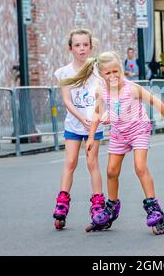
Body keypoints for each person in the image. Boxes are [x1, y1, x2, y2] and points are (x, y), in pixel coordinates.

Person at [60, 51, 164, 235]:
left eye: (116, 71)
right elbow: (98, 113)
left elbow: (156, 101)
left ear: (121, 70)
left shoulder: (131, 88)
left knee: (140, 167)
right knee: (111, 171)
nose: (113, 76)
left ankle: (154, 208)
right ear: (101, 74)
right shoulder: (102, 91)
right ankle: (111, 207)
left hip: (138, 128)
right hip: (118, 133)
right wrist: (91, 136)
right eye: (108, 73)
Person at [52, 29, 106, 230]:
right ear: (70, 48)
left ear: (91, 46)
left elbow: (102, 97)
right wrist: (81, 117)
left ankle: (98, 205)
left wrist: (95, 118)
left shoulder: (98, 70)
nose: (82, 48)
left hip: (94, 124)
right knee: (71, 161)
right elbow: (67, 100)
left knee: (92, 163)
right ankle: (62, 203)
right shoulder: (64, 72)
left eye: (85, 44)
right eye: (77, 45)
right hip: (74, 124)